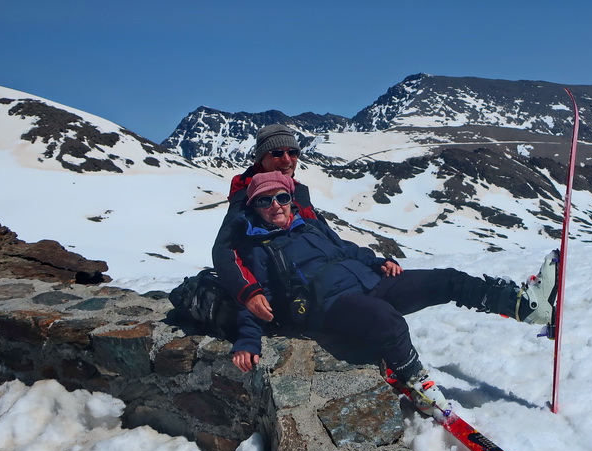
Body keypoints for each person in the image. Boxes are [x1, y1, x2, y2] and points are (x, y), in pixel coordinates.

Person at [227, 171, 558, 420]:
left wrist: (377, 262)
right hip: (328, 307)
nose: (275, 206)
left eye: (281, 198)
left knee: (446, 279)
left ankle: (524, 305)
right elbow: (253, 298)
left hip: (368, 281)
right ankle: (418, 385)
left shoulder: (308, 226)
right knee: (388, 321)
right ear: (254, 207)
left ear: (290, 199)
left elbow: (345, 250)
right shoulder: (257, 248)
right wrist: (247, 341)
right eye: (264, 200)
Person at [212, 124, 318, 312]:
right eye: (277, 153)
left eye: (293, 152)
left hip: (317, 276)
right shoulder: (248, 195)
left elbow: (322, 234)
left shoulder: (298, 190)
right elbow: (224, 249)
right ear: (261, 158)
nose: (287, 160)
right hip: (282, 291)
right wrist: (249, 292)